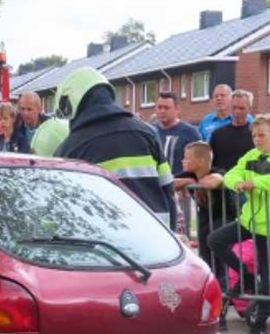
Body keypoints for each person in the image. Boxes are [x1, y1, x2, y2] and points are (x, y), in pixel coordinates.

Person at [207, 114, 270, 334]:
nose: (257, 139)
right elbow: (231, 174)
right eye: (254, 135)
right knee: (214, 240)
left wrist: (256, 182)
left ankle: (260, 326)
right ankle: (247, 276)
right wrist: (237, 183)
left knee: (268, 276)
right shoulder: (250, 155)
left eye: (262, 135)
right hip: (250, 221)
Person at [52, 67, 177, 229]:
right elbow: (168, 189)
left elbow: (63, 209)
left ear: (72, 102)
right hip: (155, 239)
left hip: (109, 243)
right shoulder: (148, 133)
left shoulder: (68, 149)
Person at [175, 142, 236, 306]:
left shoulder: (216, 171)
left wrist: (192, 183)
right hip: (204, 221)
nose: (183, 161)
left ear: (201, 161)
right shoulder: (190, 175)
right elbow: (170, 183)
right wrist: (188, 180)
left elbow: (213, 181)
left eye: (187, 157)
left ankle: (222, 296)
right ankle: (213, 297)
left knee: (218, 262)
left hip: (223, 220)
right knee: (206, 260)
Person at [153, 92, 201, 176]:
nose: (162, 111)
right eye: (159, 107)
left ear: (177, 109)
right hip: (155, 184)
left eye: (166, 108)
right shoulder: (150, 132)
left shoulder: (190, 133)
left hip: (181, 185)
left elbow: (199, 163)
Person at [209, 90, 256, 172]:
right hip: (222, 180)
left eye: (241, 108)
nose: (237, 111)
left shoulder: (255, 134)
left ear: (249, 109)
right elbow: (210, 162)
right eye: (234, 107)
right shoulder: (217, 134)